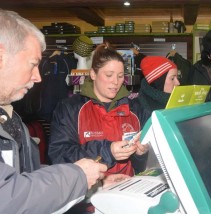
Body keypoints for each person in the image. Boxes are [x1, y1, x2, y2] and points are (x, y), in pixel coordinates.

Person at [0, 9, 109, 214]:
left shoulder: (10, 118)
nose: (38, 77)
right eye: (33, 64)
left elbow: (26, 178)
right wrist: (78, 176)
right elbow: (7, 197)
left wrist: (93, 185)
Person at [48, 42, 149, 176]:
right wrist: (107, 151)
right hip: (88, 191)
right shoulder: (70, 109)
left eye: (120, 76)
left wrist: (141, 154)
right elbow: (59, 156)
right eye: (109, 75)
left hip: (128, 189)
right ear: (93, 74)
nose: (115, 82)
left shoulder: (136, 109)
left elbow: (146, 165)